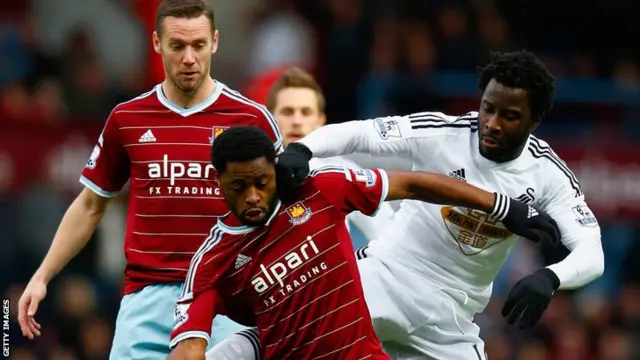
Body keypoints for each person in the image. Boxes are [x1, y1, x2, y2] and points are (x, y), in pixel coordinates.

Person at [214, 50, 605, 359]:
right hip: (390, 276)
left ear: (535, 119)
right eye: (488, 107)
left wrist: (551, 277)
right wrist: (303, 148)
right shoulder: (442, 133)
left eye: (509, 116)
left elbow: (592, 252)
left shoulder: (548, 175)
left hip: (451, 320)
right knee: (286, 335)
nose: (492, 123)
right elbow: (359, 135)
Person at [17, 1, 289, 358]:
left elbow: (289, 209)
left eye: (199, 45)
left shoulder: (252, 119)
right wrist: (42, 275)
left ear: (215, 42)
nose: (189, 58)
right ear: (158, 44)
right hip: (146, 300)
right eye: (177, 46)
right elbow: (89, 205)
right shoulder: (126, 119)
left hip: (227, 299)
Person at [168, 125, 560, 360]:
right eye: (239, 186)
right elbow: (188, 347)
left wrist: (498, 204)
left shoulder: (319, 189)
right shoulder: (212, 263)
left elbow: (413, 183)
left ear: (274, 168)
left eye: (261, 182)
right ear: (217, 181)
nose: (253, 196)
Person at [266, 66, 403, 246]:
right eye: (288, 112)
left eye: (306, 112)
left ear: (321, 120)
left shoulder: (346, 173)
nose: (297, 121)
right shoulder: (255, 176)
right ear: (269, 118)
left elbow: (387, 234)